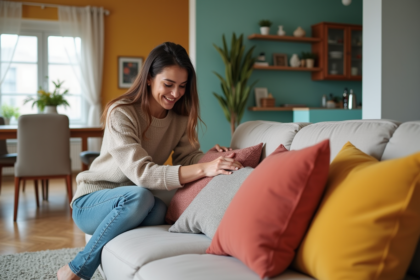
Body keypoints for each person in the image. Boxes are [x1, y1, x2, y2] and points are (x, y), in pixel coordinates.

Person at [57, 42, 244, 280]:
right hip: (92, 201)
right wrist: (204, 168)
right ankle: (76, 269)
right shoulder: (122, 112)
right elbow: (143, 174)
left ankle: (109, 239)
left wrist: (212, 157)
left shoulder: (179, 118)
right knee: (142, 195)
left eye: (182, 86)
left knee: (160, 211)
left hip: (135, 201)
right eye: (168, 84)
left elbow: (187, 158)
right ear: (148, 79)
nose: (176, 94)